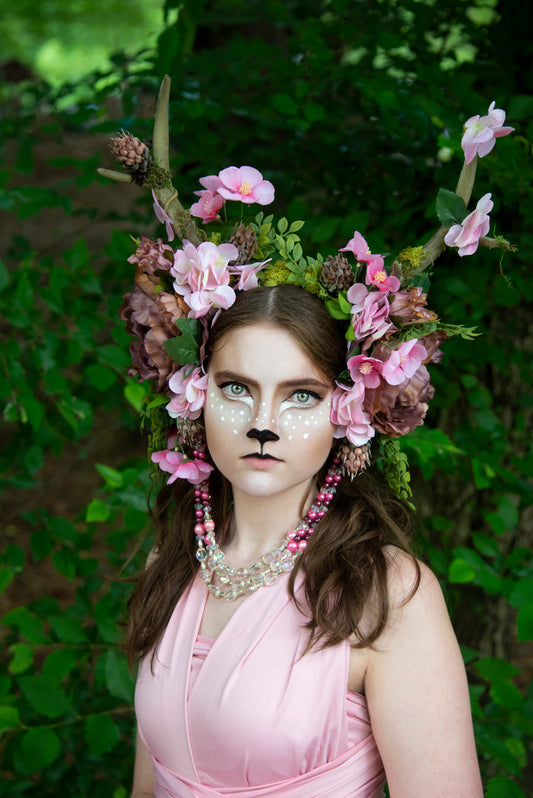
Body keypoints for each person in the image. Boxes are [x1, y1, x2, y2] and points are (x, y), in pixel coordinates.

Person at [125, 284, 484, 798]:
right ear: (196, 395)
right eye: (236, 388)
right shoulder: (176, 557)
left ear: (348, 413)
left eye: (302, 395)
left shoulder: (387, 591)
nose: (263, 425)